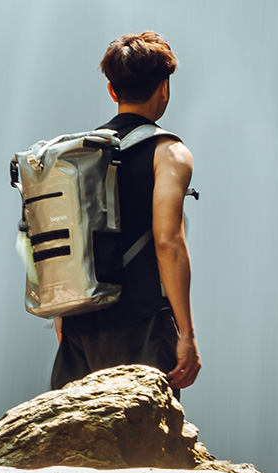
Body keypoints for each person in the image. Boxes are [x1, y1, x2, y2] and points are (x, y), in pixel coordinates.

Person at [49, 32, 201, 393]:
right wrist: (187, 334)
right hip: (142, 326)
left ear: (112, 91)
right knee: (147, 428)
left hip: (77, 323)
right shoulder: (168, 152)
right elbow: (168, 242)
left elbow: (59, 241)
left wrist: (63, 324)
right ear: (164, 87)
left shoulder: (73, 155)